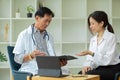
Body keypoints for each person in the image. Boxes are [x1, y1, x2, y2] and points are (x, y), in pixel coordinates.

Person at [13, 7, 68, 75]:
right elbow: (17, 58)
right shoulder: (24, 35)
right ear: (37, 18)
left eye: (49, 21)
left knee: (66, 72)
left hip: (49, 67)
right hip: (32, 68)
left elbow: (52, 57)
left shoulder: (49, 36)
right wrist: (31, 56)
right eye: (45, 20)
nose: (47, 24)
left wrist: (59, 63)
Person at [76, 11, 120, 80]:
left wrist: (92, 53)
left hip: (112, 68)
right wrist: (88, 66)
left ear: (101, 23)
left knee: (89, 75)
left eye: (93, 23)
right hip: (99, 67)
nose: (90, 26)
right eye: (90, 24)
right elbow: (90, 59)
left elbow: (108, 60)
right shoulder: (93, 39)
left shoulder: (111, 37)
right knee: (80, 74)